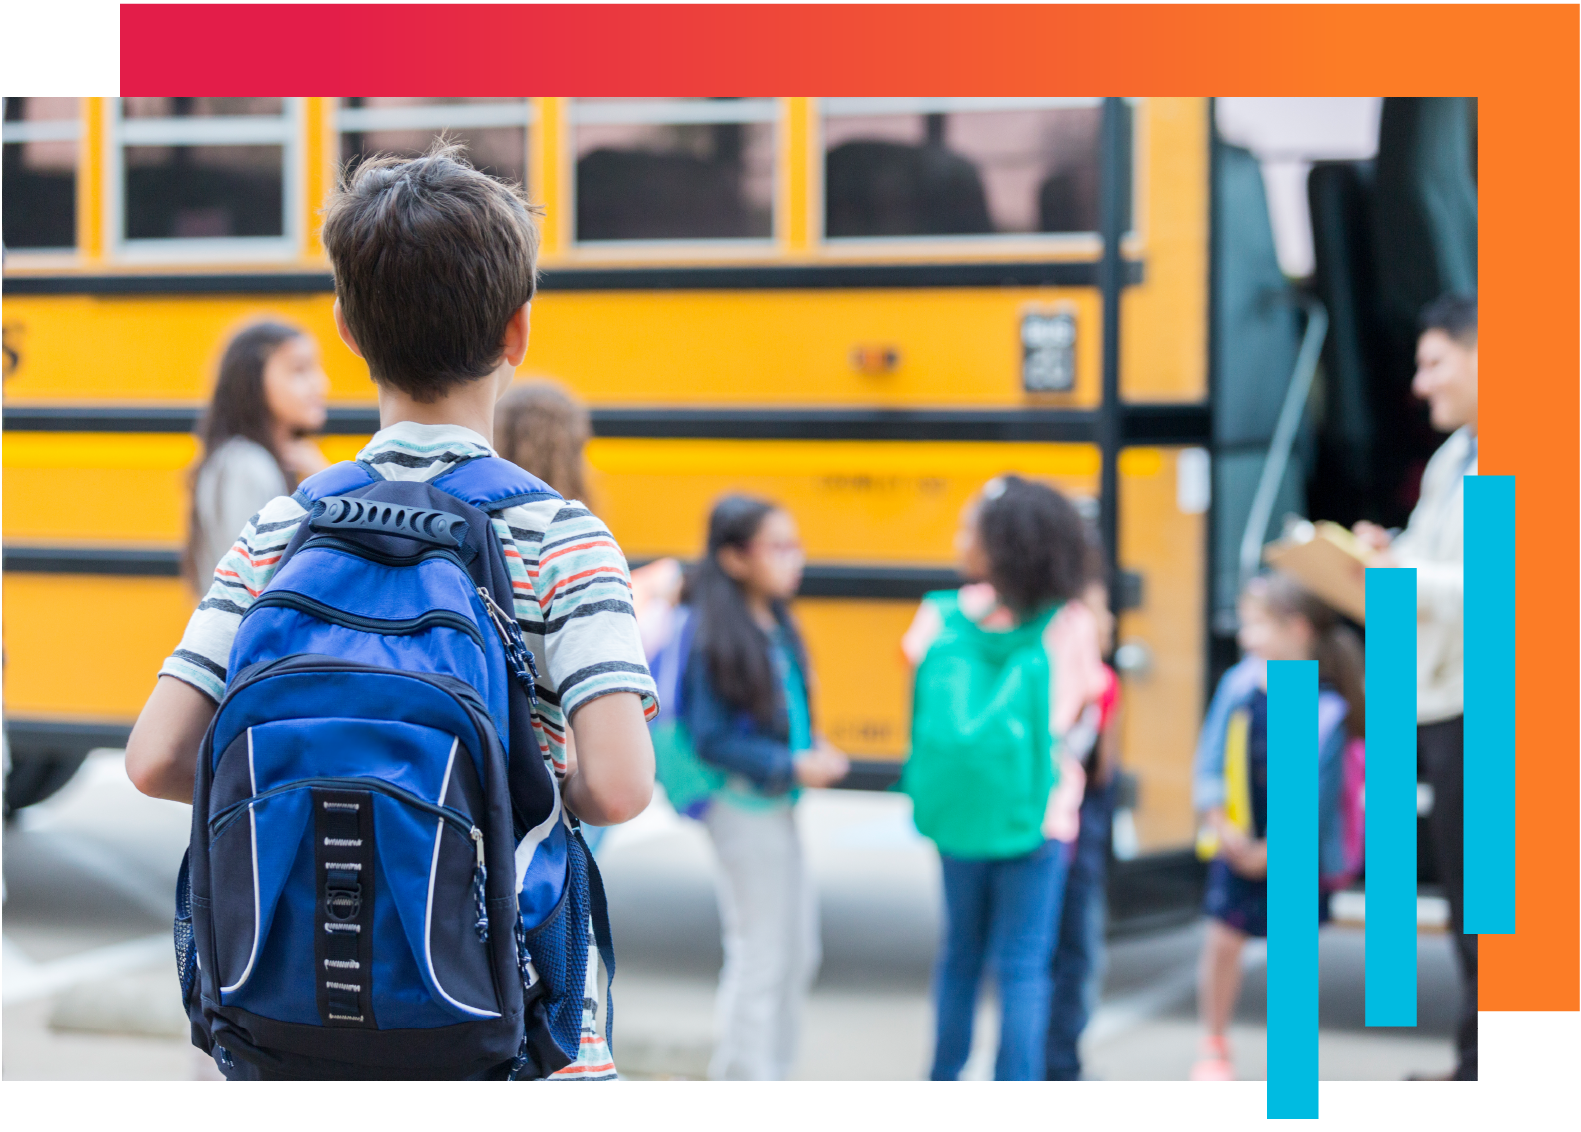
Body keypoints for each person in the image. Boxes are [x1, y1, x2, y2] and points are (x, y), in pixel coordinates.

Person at [124, 142, 657, 1081]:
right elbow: (616, 786)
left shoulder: (283, 527)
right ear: (517, 332)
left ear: (346, 329)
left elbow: (157, 758)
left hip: (288, 1027)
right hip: (511, 1027)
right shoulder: (563, 536)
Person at [901, 475, 1107, 1081]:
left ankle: (943, 1080)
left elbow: (917, 693)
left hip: (957, 812)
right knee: (1022, 964)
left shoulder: (939, 614)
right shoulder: (1069, 624)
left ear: (994, 546)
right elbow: (1083, 715)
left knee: (960, 955)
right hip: (1039, 816)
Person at [1352, 291, 1478, 1081]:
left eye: (1435, 361)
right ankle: (1475, 1068)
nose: (1420, 383)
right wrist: (1389, 551)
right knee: (1470, 906)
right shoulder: (1454, 454)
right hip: (1445, 702)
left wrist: (1402, 574)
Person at [679, 495, 849, 1080]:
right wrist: (791, 765)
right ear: (733, 558)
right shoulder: (714, 635)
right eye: (778, 547)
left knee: (799, 953)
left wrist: (809, 753)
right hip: (743, 807)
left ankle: (771, 1077)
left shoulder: (775, 621)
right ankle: (745, 1084)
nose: (794, 559)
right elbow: (710, 738)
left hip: (777, 804)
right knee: (761, 957)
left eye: (795, 545)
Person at [1188, 572, 1364, 1081]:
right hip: (1237, 841)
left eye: (1257, 625)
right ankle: (1214, 1044)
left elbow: (1317, 796)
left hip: (1294, 852)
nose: (1247, 638)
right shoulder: (1240, 686)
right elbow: (1211, 761)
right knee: (1223, 942)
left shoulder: (1330, 710)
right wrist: (1222, 825)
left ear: (1299, 628)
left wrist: (1273, 851)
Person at [1044, 536, 1124, 1081]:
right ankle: (1062, 1065)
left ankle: (1046, 1061)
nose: (1109, 619)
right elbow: (1103, 771)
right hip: (1075, 836)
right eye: (1095, 609)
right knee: (1073, 955)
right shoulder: (1099, 685)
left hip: (1047, 837)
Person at [184, 321, 328, 589]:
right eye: (299, 370)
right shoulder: (246, 465)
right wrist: (326, 486)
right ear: (253, 380)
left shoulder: (253, 459)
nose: (320, 384)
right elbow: (257, 583)